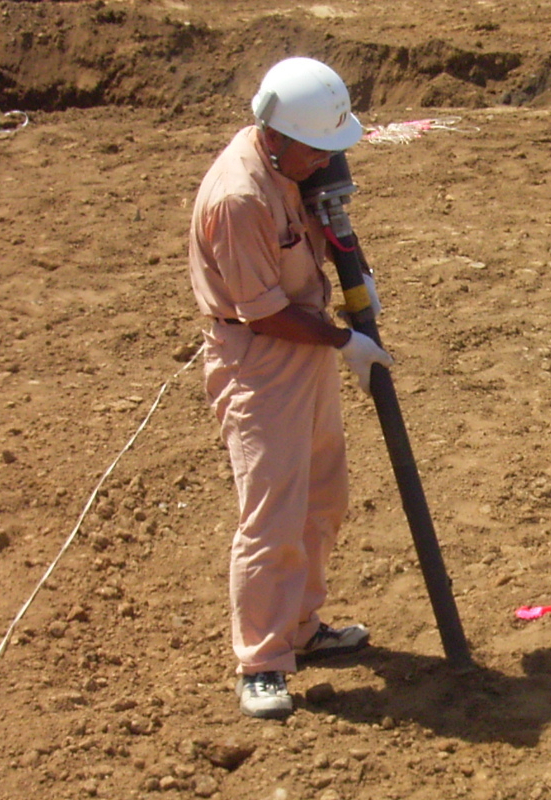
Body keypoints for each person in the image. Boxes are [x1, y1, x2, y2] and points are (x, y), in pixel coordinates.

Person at [188, 56, 394, 719]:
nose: (325, 161)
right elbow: (263, 311)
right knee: (271, 516)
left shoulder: (292, 161)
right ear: (276, 136)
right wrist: (344, 340)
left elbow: (324, 225)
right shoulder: (239, 197)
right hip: (260, 357)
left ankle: (300, 627)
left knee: (321, 496)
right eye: (317, 149)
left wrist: (356, 275)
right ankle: (262, 663)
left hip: (303, 342)